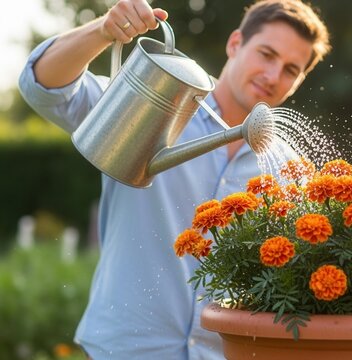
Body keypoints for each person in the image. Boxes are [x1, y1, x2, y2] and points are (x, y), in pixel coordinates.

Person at [18, 0, 330, 358]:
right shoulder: (154, 102)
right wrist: (103, 30)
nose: (273, 76)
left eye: (291, 69)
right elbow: (44, 88)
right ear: (234, 44)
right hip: (127, 350)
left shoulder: (288, 169)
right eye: (266, 54)